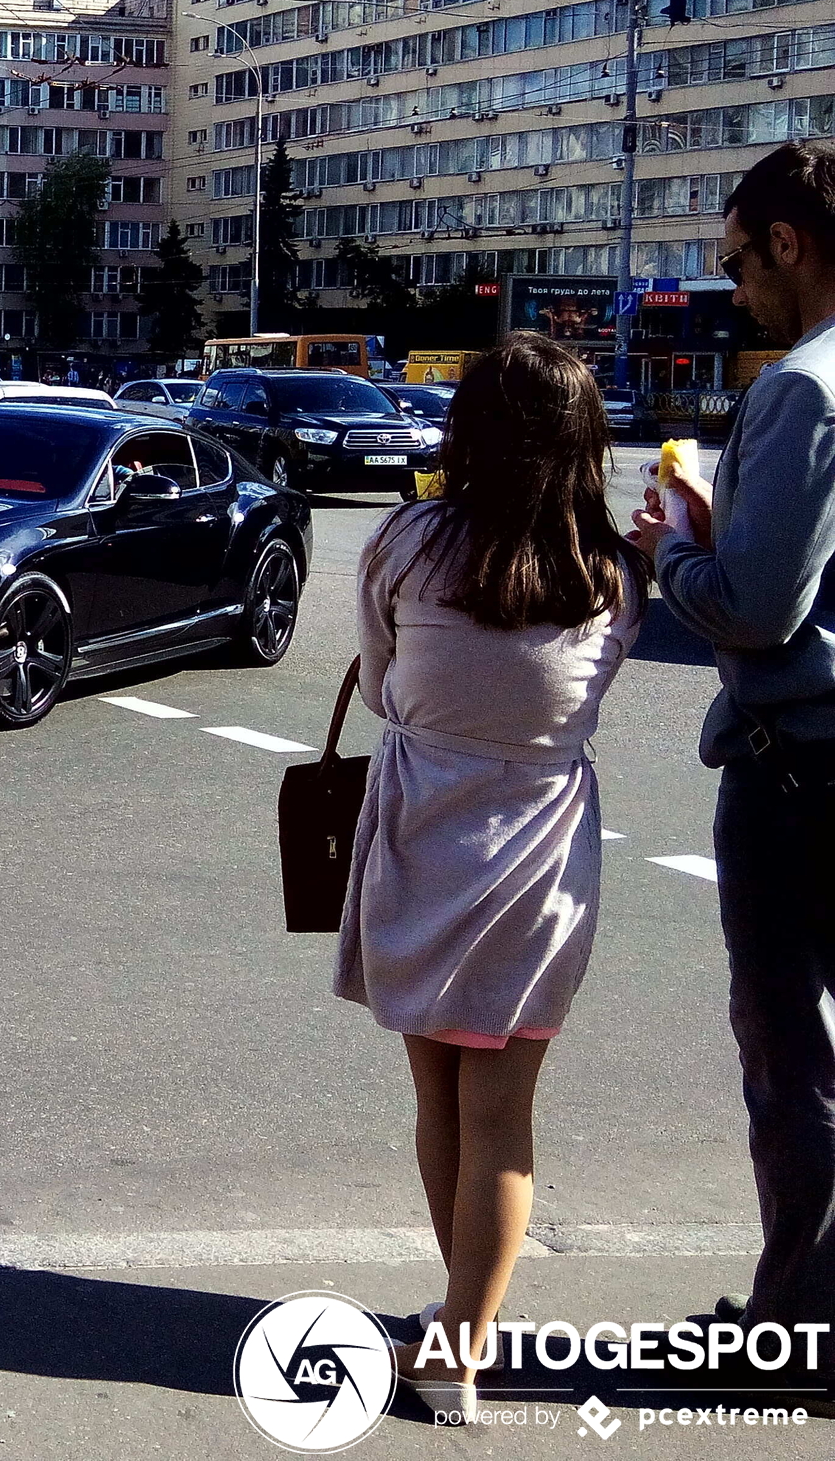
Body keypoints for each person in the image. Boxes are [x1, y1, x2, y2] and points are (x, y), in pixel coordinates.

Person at [337, 333, 647, 1420]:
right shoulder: (609, 569)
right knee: (504, 1113)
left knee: (438, 1095)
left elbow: (379, 691)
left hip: (426, 836)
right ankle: (462, 1342)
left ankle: (453, 1322)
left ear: (466, 433)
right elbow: (586, 688)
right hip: (543, 855)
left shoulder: (407, 543)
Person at [634, 139, 835, 1387]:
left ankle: (793, 1330)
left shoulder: (803, 389)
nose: (730, 288)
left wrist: (671, 548)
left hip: (801, 772)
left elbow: (757, 609)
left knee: (788, 1064)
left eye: (730, 259)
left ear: (784, 243)